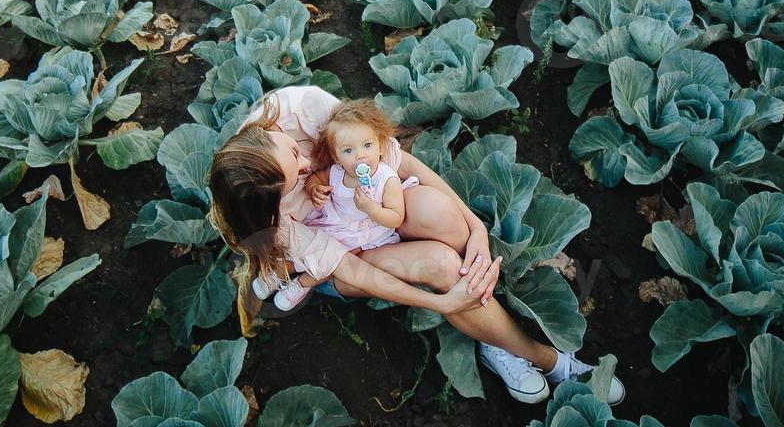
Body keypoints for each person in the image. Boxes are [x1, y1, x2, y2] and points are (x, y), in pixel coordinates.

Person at [210, 85, 624, 405]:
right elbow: (352, 271)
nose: (305, 166)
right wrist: (440, 304)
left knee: (441, 215)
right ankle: (549, 360)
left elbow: (397, 162)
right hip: (344, 256)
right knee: (444, 268)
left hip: (372, 209)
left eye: (293, 154)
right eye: (293, 178)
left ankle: (491, 336)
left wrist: (475, 226)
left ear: (268, 132)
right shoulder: (275, 222)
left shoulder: (298, 107)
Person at [253, 98, 411, 311]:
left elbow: (396, 217)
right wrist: (313, 189)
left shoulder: (386, 179)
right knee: (308, 249)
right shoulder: (337, 172)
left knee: (333, 259)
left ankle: (302, 284)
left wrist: (372, 209)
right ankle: (280, 273)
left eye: (367, 145)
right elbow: (316, 178)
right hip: (332, 220)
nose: (360, 155)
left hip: (364, 230)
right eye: (349, 151)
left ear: (381, 147)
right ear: (337, 158)